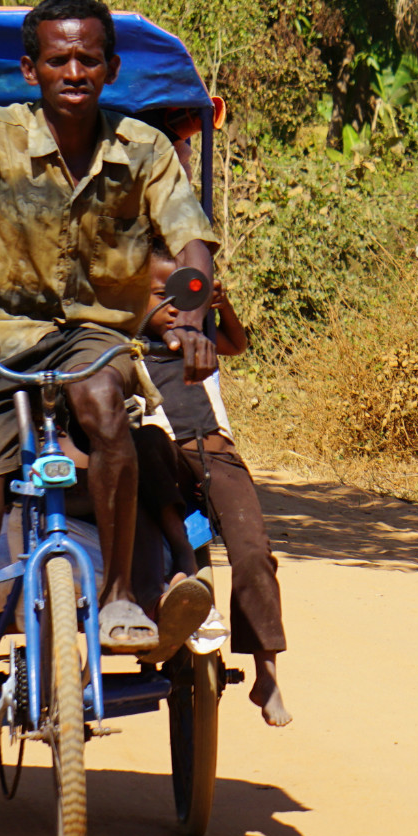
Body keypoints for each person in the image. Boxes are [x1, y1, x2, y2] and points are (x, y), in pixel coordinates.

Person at [0, 0, 219, 770]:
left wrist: (192, 317)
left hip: (92, 332)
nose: (73, 70)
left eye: (88, 58)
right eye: (57, 58)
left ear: (110, 68)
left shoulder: (144, 150)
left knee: (105, 399)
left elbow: (192, 239)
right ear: (31, 68)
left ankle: (124, 594)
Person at [140, 246, 292, 726]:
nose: (171, 309)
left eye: (179, 298)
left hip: (214, 451)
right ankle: (184, 571)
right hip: (161, 450)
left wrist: (218, 307)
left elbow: (237, 344)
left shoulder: (199, 338)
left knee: (252, 549)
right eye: (159, 298)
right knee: (148, 464)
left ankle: (266, 670)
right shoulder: (123, 345)